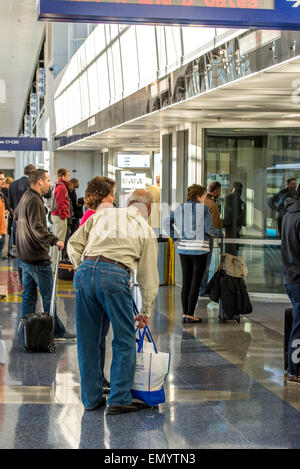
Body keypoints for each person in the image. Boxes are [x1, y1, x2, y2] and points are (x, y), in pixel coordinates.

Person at [67, 187, 159, 414]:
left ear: (128, 203)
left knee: (88, 340)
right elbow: (148, 274)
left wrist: (84, 268)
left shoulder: (103, 214)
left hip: (85, 272)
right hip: (115, 275)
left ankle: (90, 399)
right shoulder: (145, 228)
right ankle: (119, 398)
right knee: (124, 338)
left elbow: (73, 243)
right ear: (148, 208)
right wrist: (146, 310)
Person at [14, 169, 76, 341]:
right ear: (40, 182)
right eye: (48, 180)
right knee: (49, 297)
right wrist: (54, 240)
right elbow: (38, 227)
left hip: (24, 255)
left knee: (29, 295)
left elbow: (16, 215)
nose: (50, 183)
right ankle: (56, 332)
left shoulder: (26, 197)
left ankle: (25, 328)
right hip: (37, 257)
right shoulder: (34, 201)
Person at [163, 184, 220, 323]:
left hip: (183, 249)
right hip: (199, 249)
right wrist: (220, 233)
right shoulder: (203, 209)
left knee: (186, 282)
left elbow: (166, 222)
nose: (204, 198)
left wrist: (175, 236)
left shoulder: (180, 208)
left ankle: (184, 314)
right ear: (199, 196)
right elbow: (209, 229)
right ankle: (190, 314)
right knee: (196, 282)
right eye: (203, 196)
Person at [8, 164, 36, 280]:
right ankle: (29, 276)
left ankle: (21, 276)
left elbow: (10, 204)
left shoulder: (12, 184)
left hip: (16, 222)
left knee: (19, 250)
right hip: (30, 222)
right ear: (32, 173)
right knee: (30, 250)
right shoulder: (31, 185)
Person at [199, 181, 223, 295]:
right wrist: (219, 233)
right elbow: (212, 226)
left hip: (197, 237)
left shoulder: (201, 201)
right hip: (207, 239)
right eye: (219, 191)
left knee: (200, 265)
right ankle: (202, 289)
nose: (220, 193)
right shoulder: (212, 204)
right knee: (205, 265)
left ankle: (198, 288)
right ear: (215, 191)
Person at [51, 168, 70, 268]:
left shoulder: (57, 185)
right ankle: (56, 264)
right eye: (67, 175)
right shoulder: (62, 187)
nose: (69, 177)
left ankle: (55, 261)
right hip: (59, 216)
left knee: (56, 238)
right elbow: (61, 203)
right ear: (62, 176)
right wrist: (63, 215)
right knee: (59, 240)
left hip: (56, 215)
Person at [223, 182, 246, 256]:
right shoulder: (228, 199)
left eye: (240, 190)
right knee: (230, 248)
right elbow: (227, 213)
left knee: (234, 247)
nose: (239, 192)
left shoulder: (239, 201)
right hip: (230, 226)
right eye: (238, 190)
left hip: (236, 226)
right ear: (233, 189)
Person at [4, 177, 14, 258]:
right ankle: (6, 252)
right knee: (7, 234)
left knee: (10, 234)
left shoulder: (8, 192)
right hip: (6, 216)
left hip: (10, 216)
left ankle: (8, 251)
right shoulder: (3, 192)